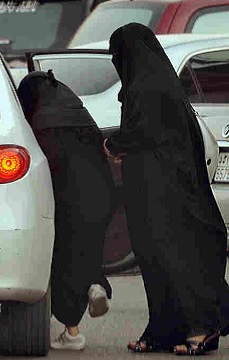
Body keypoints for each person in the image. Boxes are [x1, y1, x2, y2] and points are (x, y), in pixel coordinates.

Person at [103, 23, 227, 355]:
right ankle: (163, 329)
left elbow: (147, 133)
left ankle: (203, 328)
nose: (116, 60)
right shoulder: (142, 85)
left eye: (119, 54)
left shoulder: (153, 88)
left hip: (168, 191)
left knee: (178, 257)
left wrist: (114, 144)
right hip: (146, 190)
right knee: (154, 260)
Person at [17, 70, 115, 351]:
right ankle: (95, 284)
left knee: (61, 260)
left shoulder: (43, 124)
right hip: (103, 195)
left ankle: (72, 333)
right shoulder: (80, 115)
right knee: (88, 251)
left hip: (68, 199)